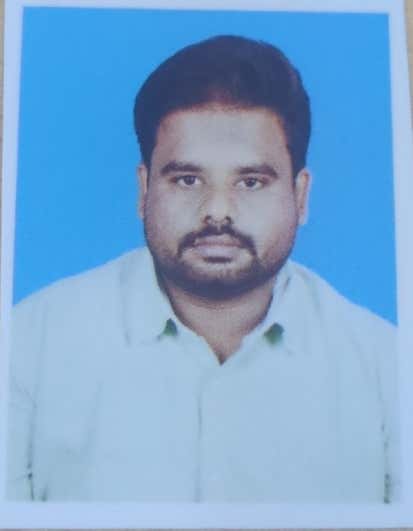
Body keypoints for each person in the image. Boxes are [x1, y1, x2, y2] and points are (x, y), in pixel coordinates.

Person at [7, 35, 398, 503]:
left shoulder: (389, 369)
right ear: (144, 189)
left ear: (300, 196)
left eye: (251, 182)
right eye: (188, 179)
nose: (217, 210)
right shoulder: (26, 346)